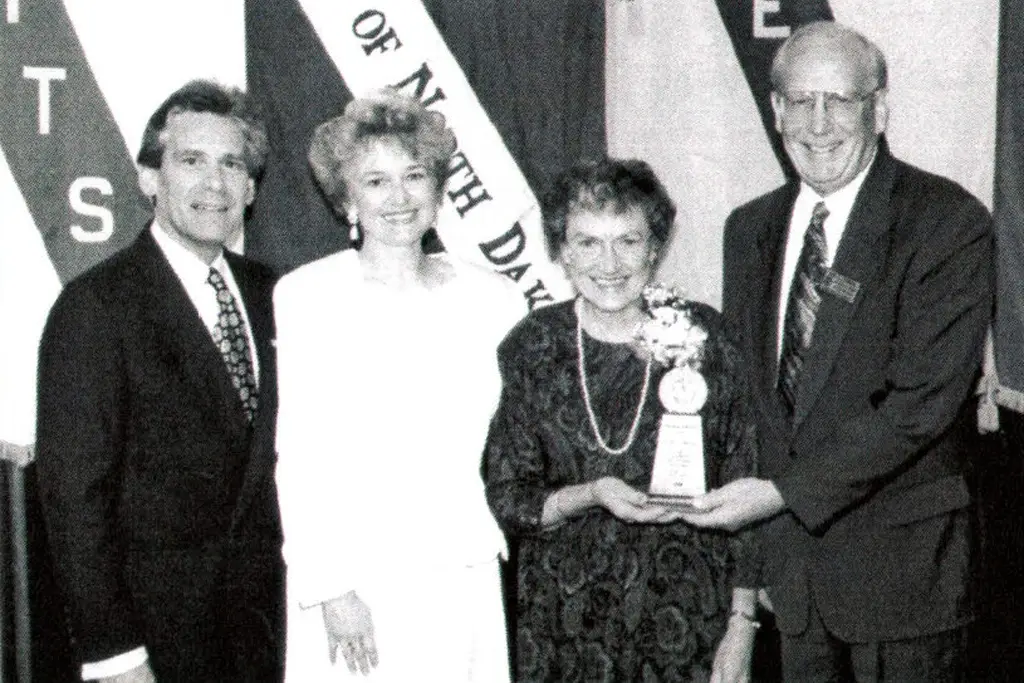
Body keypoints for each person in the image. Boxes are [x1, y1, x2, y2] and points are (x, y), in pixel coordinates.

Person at [681, 21, 993, 682]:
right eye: (800, 101)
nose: (818, 123)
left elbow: (920, 406)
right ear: (776, 111)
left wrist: (777, 493)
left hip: (903, 584)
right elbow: (756, 415)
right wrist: (746, 597)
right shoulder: (749, 229)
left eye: (839, 101)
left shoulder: (946, 221)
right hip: (796, 588)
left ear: (878, 109)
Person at [35, 80, 284, 682]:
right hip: (151, 650)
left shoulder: (275, 294)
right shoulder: (94, 308)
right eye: (190, 161)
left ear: (251, 188)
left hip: (265, 638)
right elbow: (74, 502)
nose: (214, 184)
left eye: (232, 164)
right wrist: (116, 656)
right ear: (150, 178)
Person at [273, 90, 526, 682]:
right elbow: (300, 455)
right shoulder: (307, 295)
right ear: (347, 197)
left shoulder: (493, 298)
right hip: (356, 578)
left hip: (462, 568)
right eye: (376, 180)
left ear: (438, 191)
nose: (399, 197)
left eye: (414, 176)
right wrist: (332, 588)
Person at [483, 158, 760, 682]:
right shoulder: (533, 346)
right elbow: (509, 497)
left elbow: (747, 489)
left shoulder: (709, 339)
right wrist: (591, 493)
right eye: (587, 242)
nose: (609, 263)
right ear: (560, 250)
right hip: (563, 622)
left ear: (655, 247)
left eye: (628, 241)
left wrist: (743, 624)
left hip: (689, 617)